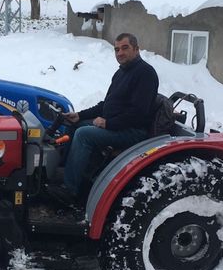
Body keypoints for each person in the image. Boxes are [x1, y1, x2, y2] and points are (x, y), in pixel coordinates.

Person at [53, 33, 159, 201]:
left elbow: (138, 113)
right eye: (116, 49)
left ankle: (69, 189)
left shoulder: (145, 73)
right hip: (118, 126)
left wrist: (108, 123)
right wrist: (79, 115)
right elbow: (106, 105)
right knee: (74, 125)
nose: (120, 53)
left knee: (84, 135)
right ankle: (63, 173)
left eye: (125, 48)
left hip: (133, 131)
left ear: (137, 49)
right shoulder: (121, 73)